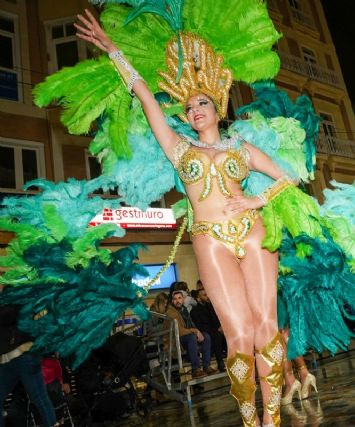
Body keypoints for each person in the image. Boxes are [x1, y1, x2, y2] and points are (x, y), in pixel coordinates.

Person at [76, 10, 288, 425]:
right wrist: (114, 50)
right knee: (238, 333)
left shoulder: (241, 148)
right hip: (209, 237)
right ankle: (251, 420)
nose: (194, 111)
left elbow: (286, 176)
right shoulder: (178, 148)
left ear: (218, 104)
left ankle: (274, 419)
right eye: (189, 107)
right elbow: (144, 94)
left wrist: (254, 201)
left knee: (267, 324)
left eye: (202, 103)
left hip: (252, 232)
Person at [0, 291, 57, 427]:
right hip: (6, 359)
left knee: (39, 398)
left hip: (25, 354)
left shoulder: (16, 291)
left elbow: (13, 315)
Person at [166, 291, 213, 378]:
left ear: (183, 299)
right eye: (175, 299)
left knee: (206, 336)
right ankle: (196, 369)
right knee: (192, 337)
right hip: (176, 339)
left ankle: (207, 366)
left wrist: (197, 332)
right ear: (172, 301)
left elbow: (191, 325)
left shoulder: (184, 310)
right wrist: (195, 331)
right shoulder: (171, 312)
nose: (177, 301)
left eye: (179, 298)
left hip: (186, 335)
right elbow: (178, 331)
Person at [190, 288, 226, 373]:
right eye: (205, 295)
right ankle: (220, 362)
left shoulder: (211, 308)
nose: (208, 297)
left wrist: (221, 327)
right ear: (198, 298)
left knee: (227, 334)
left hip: (214, 330)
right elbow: (199, 326)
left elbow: (217, 320)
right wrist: (216, 329)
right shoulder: (194, 311)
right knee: (216, 335)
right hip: (205, 331)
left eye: (208, 295)